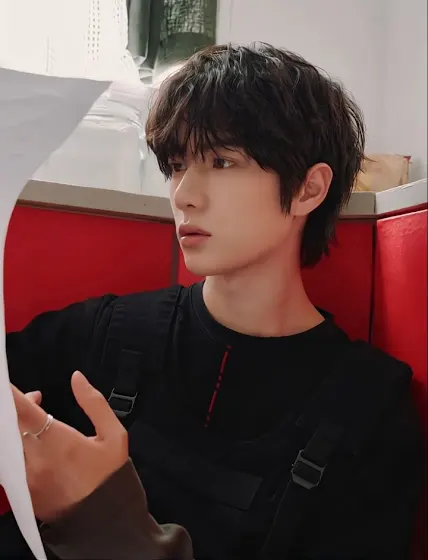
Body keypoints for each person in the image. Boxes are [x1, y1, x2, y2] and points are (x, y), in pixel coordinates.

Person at [2, 43, 423, 560]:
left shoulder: (370, 411)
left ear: (308, 190)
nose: (183, 194)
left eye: (222, 161)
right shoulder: (109, 333)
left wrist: (97, 517)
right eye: (177, 165)